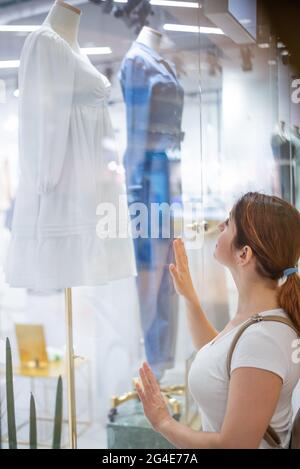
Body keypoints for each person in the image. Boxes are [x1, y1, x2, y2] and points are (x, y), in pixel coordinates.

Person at [136, 192, 300, 449]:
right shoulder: (256, 321)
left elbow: (234, 445)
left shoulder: (263, 339)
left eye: (229, 222)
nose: (220, 226)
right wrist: (190, 299)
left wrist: (163, 422)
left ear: (244, 254)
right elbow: (224, 360)